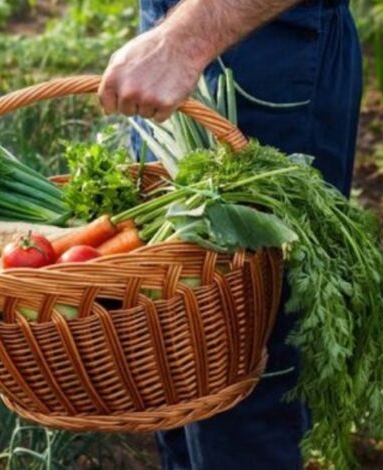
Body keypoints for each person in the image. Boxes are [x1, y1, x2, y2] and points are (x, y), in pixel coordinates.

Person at [98, 1, 362, 468]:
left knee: (240, 385)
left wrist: (182, 41)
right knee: (174, 367)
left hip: (255, 43)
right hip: (175, 29)